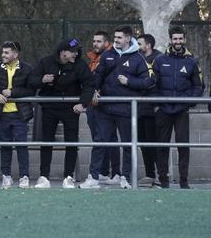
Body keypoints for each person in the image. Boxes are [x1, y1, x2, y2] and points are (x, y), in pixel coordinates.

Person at [82, 26, 153, 190]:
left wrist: (129, 82)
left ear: (128, 38)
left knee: (128, 145)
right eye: (115, 37)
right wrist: (94, 90)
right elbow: (98, 76)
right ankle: (93, 178)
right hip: (105, 108)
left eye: (120, 37)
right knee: (100, 142)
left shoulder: (138, 58)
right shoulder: (107, 55)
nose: (116, 40)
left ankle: (125, 178)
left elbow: (149, 82)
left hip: (126, 110)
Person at [29, 39, 93, 189]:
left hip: (71, 108)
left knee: (71, 143)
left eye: (77, 51)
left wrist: (82, 103)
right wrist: (42, 80)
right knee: (46, 142)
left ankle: (68, 177)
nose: (76, 54)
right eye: (73, 51)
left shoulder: (80, 64)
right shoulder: (46, 62)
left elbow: (89, 84)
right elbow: (32, 81)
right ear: (63, 52)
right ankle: (44, 177)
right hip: (49, 108)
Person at [153, 26, 203, 189]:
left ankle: (184, 181)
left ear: (184, 39)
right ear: (170, 40)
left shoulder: (192, 61)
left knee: (183, 145)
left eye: (180, 38)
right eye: (175, 39)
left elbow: (198, 86)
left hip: (181, 110)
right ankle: (163, 180)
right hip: (163, 110)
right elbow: (152, 84)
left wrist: (188, 102)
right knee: (162, 145)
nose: (178, 41)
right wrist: (158, 103)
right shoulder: (160, 60)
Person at [0, 41, 34, 189]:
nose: (3, 55)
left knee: (21, 146)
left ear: (15, 54)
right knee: (5, 146)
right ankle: (6, 176)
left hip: (20, 115)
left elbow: (31, 89)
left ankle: (24, 176)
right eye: (3, 52)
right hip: (2, 115)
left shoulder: (27, 68)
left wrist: (13, 93)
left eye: (7, 53)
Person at [86, 30, 119, 183]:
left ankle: (116, 172)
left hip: (107, 105)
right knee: (98, 139)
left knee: (110, 139)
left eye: (99, 41)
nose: (95, 44)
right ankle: (103, 172)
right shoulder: (92, 58)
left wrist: (99, 90)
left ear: (107, 43)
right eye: (94, 41)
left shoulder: (113, 56)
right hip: (93, 105)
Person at [137, 33, 162, 185]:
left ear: (148, 45)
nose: (137, 46)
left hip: (154, 108)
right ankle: (149, 174)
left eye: (139, 44)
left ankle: (161, 174)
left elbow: (157, 82)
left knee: (155, 142)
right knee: (143, 142)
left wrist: (158, 104)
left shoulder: (159, 59)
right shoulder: (137, 58)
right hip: (139, 107)